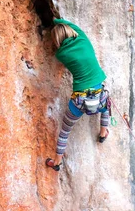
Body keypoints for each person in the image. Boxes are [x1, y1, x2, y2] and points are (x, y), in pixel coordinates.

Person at [46, 17, 110, 171]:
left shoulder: (62, 54)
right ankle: (103, 132)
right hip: (98, 95)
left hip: (80, 101)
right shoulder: (84, 39)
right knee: (106, 104)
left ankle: (56, 162)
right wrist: (55, 19)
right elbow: (70, 24)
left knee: (65, 131)